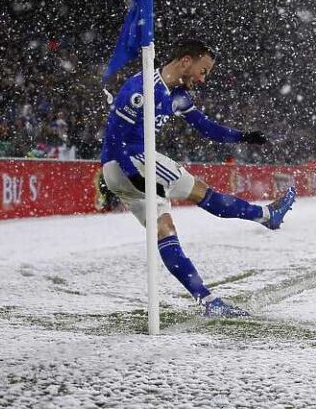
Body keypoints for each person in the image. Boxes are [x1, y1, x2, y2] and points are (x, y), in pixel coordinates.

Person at [101, 39, 296, 318]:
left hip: (118, 172)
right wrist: (138, 177)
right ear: (185, 61)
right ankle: (266, 215)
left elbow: (206, 127)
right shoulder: (141, 89)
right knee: (203, 194)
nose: (203, 79)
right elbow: (117, 139)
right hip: (132, 162)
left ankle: (207, 301)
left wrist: (241, 136)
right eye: (203, 71)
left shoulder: (178, 95)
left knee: (164, 229)